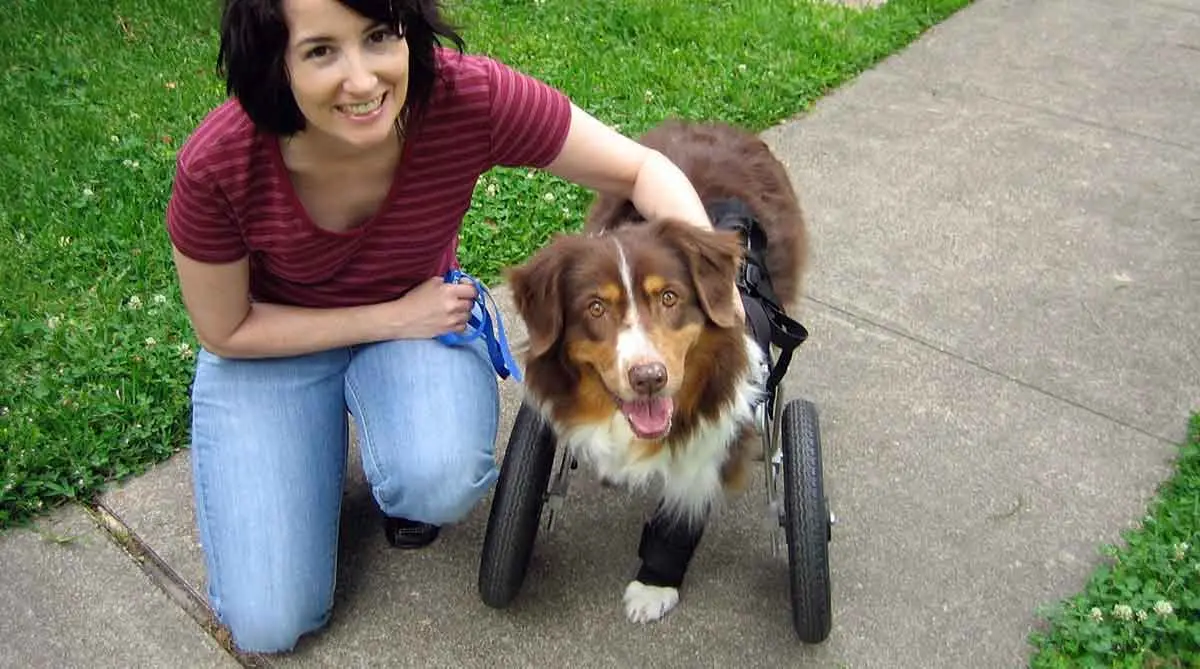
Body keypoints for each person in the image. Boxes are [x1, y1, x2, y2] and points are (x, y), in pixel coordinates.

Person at [165, 0, 724, 655]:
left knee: (440, 476)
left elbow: (641, 169)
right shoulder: (222, 161)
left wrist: (717, 288)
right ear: (274, 61)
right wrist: (391, 316)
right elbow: (225, 329)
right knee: (269, 622)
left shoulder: (465, 97)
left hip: (419, 319)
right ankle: (310, 434)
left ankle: (392, 462)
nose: (363, 79)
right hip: (275, 342)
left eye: (378, 37)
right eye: (321, 51)